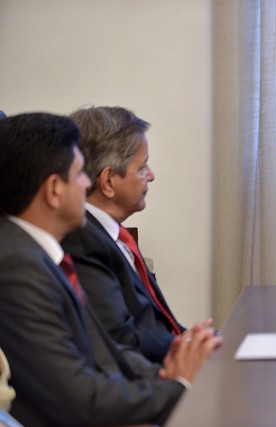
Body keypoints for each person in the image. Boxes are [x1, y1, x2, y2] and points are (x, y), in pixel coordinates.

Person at [0, 112, 222, 426]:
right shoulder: (17, 266)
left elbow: (106, 353)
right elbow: (82, 402)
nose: (87, 183)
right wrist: (179, 386)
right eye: (79, 174)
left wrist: (169, 377)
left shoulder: (35, 253)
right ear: (54, 190)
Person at [61, 106, 210, 363]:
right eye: (142, 168)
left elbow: (155, 323)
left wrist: (195, 339)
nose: (151, 176)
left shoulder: (117, 236)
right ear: (109, 181)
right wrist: (184, 346)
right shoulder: (82, 243)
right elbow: (120, 338)